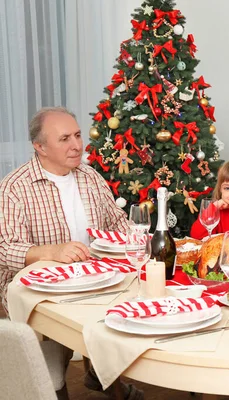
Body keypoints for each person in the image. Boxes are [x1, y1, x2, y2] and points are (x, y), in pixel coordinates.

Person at [0, 107, 142, 400]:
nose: (77, 145)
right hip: (37, 290)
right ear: (39, 147)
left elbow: (117, 222)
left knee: (126, 303)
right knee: (55, 361)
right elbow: (4, 249)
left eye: (77, 135)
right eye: (64, 138)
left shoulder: (89, 176)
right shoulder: (14, 187)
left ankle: (102, 376)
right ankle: (58, 388)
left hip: (94, 277)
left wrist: (139, 240)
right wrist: (52, 252)